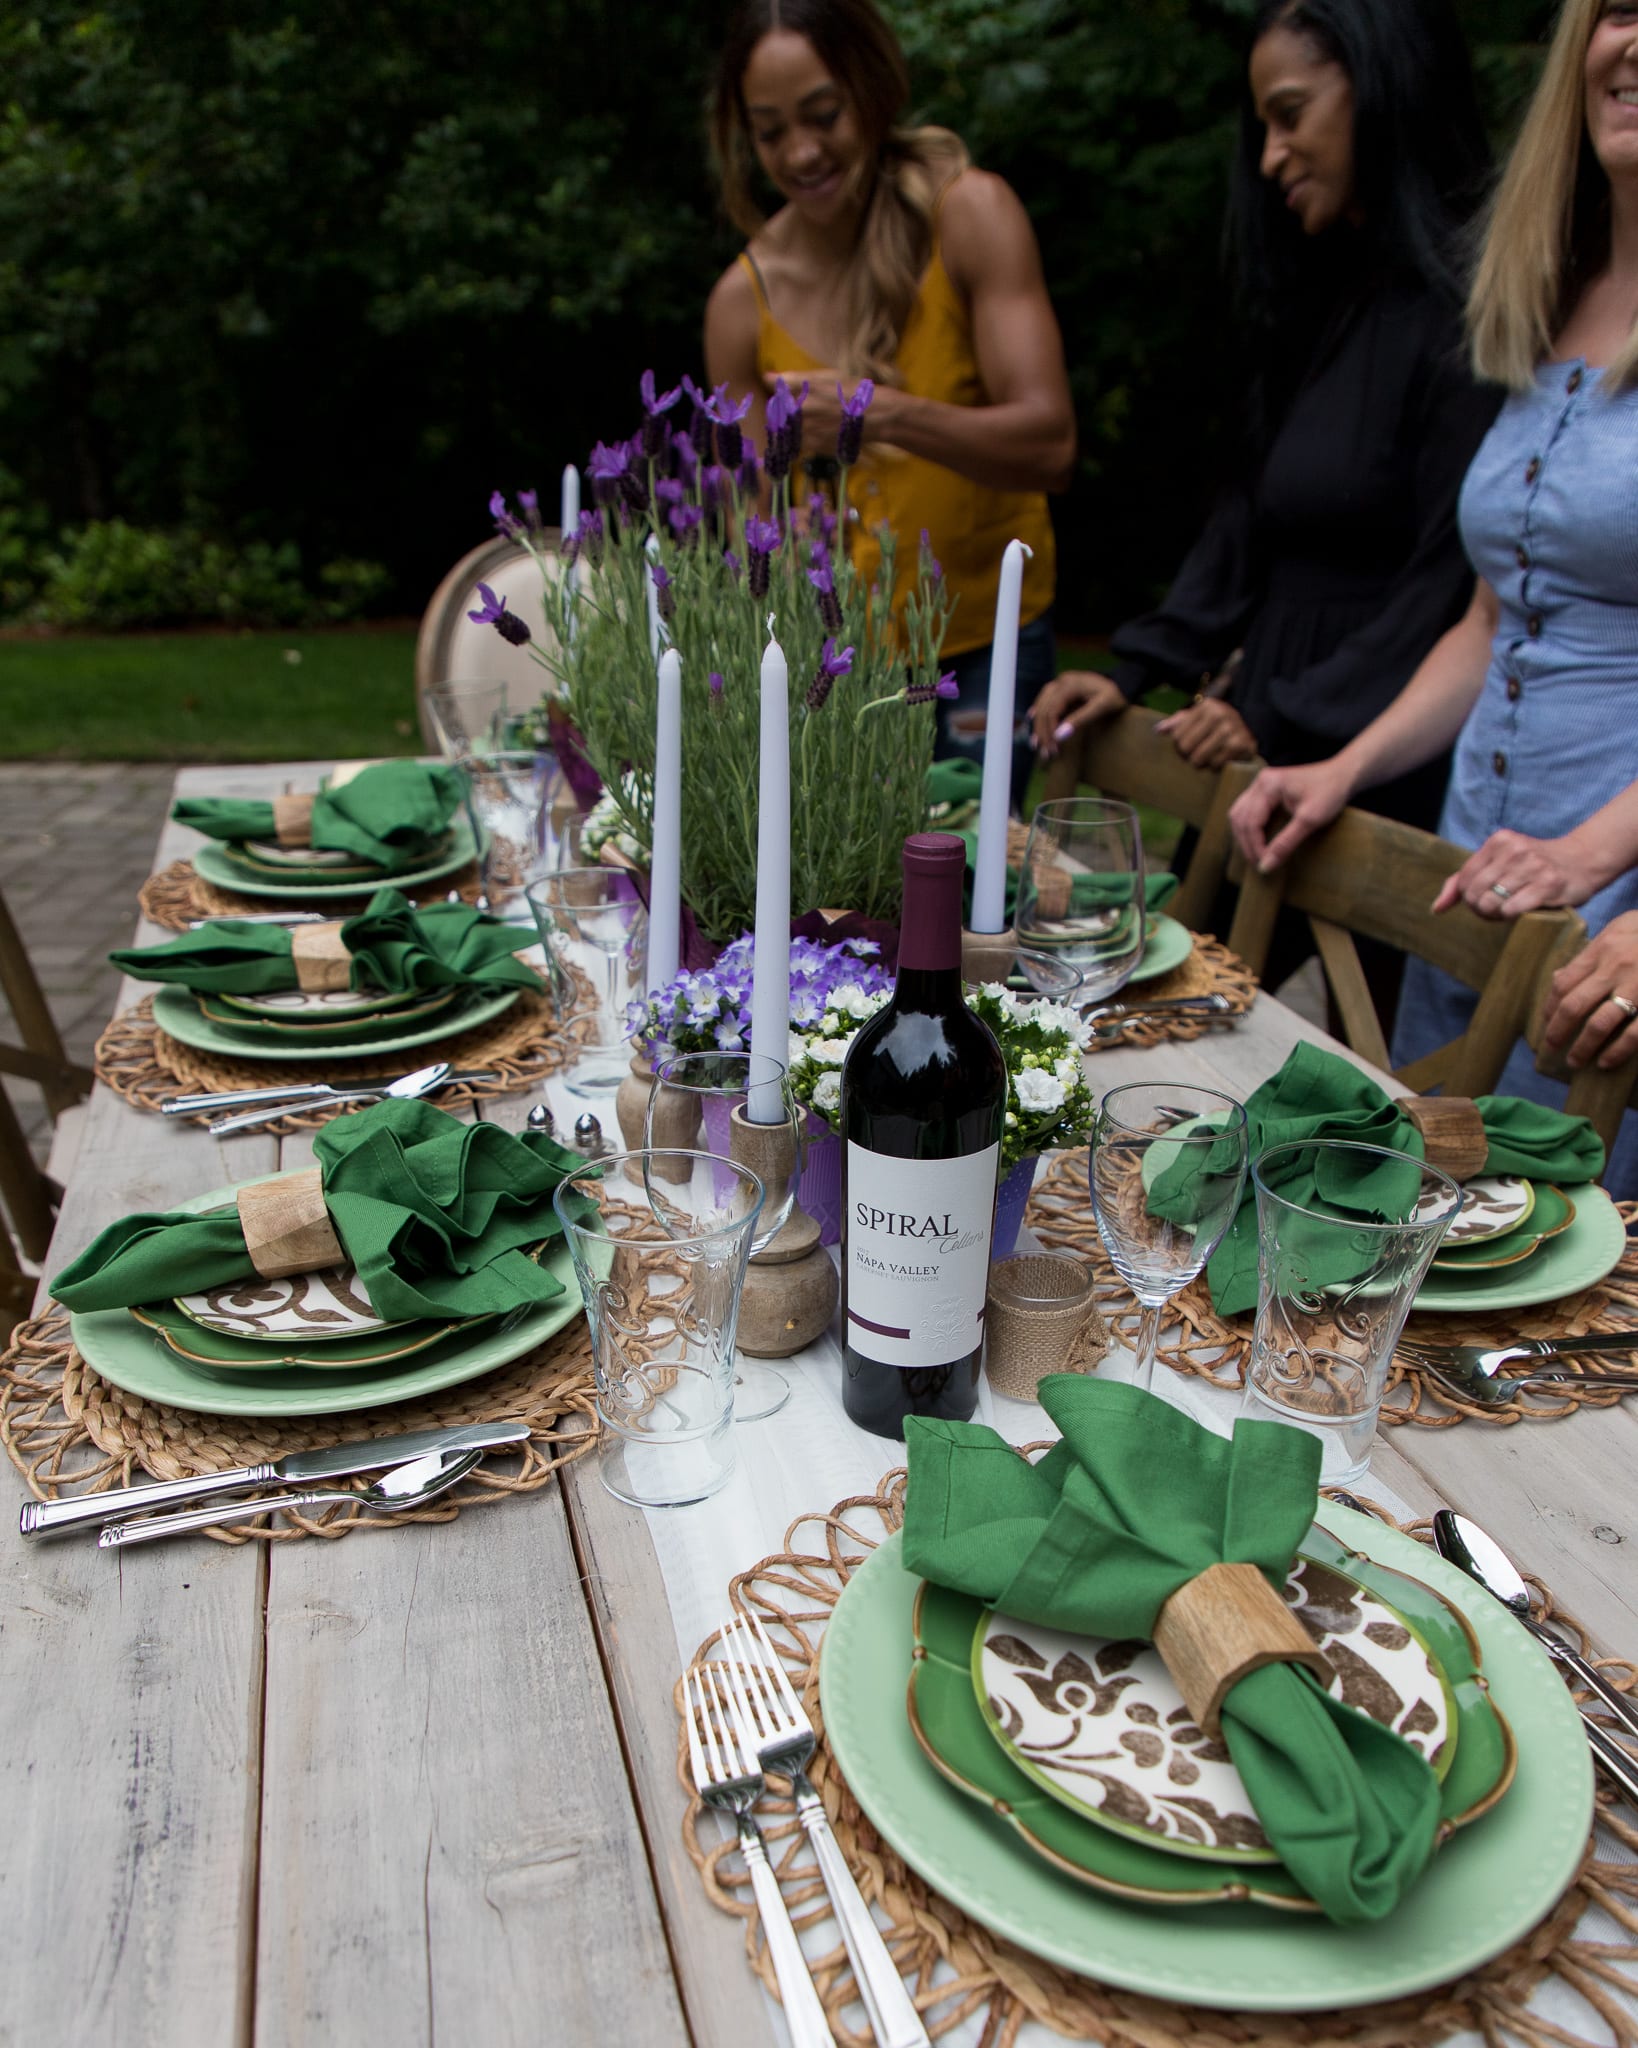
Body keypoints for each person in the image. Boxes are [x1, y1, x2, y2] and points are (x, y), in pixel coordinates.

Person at [1229, 0, 1638, 1193]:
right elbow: (1490, 620)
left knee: (1568, 1292)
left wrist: (1589, 857)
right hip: (1479, 869)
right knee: (1439, 1237)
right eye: (1615, 7)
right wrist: (1344, 767)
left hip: (1605, 909)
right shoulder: (1548, 291)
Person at [1031, 0, 1496, 853]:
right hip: (1261, 731)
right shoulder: (1317, 305)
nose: (1273, 155)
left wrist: (1283, 709)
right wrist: (1136, 666)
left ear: (1383, 86)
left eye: (1291, 114)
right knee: (1186, 977)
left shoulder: (1473, 318)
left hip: (1387, 749)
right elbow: (1247, 522)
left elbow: (1445, 587)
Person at [705, 0, 1076, 798]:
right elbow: (744, 531)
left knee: (973, 891)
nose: (801, 152)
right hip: (840, 668)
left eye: (824, 115)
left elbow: (1050, 445)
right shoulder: (741, 302)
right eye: (770, 132)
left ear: (871, 91)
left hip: (986, 648)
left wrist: (883, 416)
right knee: (845, 901)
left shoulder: (972, 214)